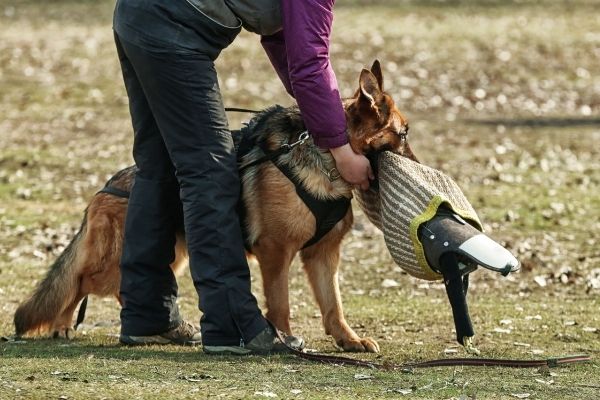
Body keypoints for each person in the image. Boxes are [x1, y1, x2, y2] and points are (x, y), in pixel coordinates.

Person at [112, 0, 373, 354]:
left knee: (158, 165)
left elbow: (285, 42)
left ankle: (147, 314)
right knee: (210, 170)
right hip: (173, 31)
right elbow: (309, 62)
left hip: (139, 15)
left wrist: (323, 113)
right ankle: (232, 325)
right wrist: (341, 149)